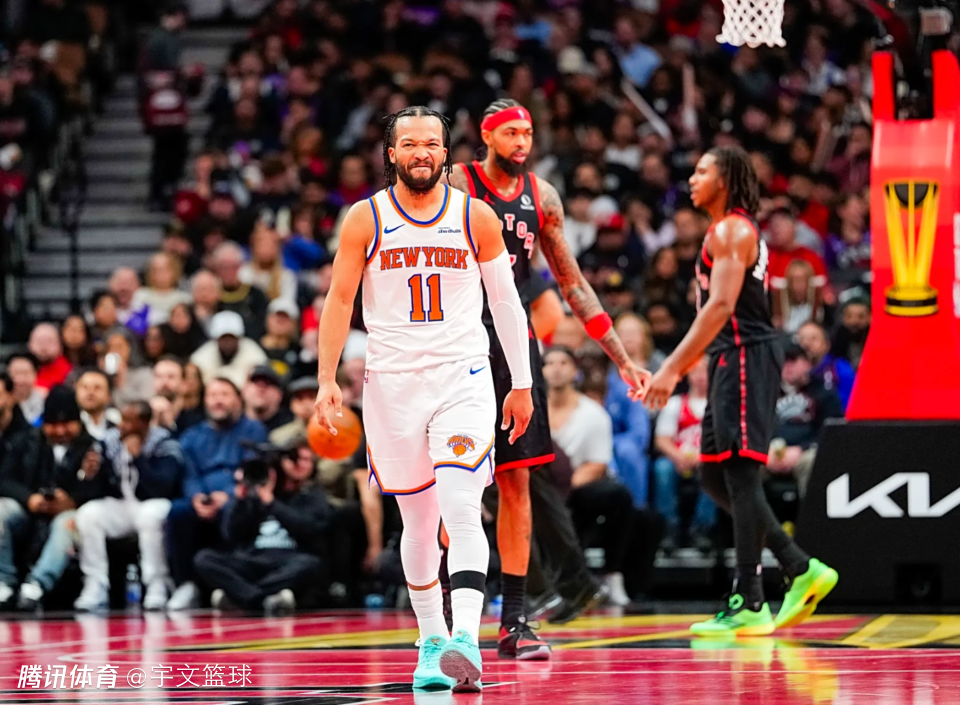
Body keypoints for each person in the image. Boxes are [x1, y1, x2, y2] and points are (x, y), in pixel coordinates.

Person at [314, 106, 534, 692]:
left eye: (431, 144)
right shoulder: (365, 218)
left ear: (445, 152)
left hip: (462, 377)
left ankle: (467, 637)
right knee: (417, 521)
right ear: (391, 154)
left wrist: (521, 382)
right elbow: (339, 300)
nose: (421, 153)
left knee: (461, 504)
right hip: (391, 384)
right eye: (409, 144)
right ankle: (432, 639)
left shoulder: (474, 215)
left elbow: (506, 303)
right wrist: (326, 378)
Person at [445, 98, 649, 658]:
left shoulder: (544, 197)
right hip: (458, 337)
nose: (521, 142)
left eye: (527, 132)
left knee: (517, 480)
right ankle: (445, 615)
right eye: (510, 132)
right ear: (487, 136)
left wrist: (621, 358)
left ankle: (515, 618)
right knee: (452, 482)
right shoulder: (457, 183)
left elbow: (573, 284)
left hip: (515, 344)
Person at [644, 146, 838, 637]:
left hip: (746, 354)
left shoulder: (733, 229)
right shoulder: (724, 230)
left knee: (739, 474)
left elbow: (720, 306)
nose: (692, 178)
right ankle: (791, 570)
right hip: (728, 358)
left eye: (702, 171)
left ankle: (756, 595)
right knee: (714, 475)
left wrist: (671, 368)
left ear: (726, 179)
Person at [0, 387, 117, 611]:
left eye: (67, 424)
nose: (61, 431)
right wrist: (29, 498)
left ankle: (37, 584)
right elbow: (4, 479)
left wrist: (73, 499)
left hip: (68, 513)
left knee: (68, 522)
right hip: (27, 511)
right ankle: (3, 580)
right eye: (53, 425)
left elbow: (102, 489)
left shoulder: (92, 447)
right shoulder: (25, 441)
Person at [543, 346, 635, 607]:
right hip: (539, 488)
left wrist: (562, 488)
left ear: (575, 371)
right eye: (550, 363)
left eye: (563, 362)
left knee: (618, 496)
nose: (556, 369)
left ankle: (612, 574)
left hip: (576, 486)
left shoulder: (593, 413)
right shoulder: (532, 409)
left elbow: (597, 465)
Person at [165, 377, 268, 610]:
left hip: (238, 496)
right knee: (177, 511)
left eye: (224, 394)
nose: (218, 401)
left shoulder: (254, 429)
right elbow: (189, 475)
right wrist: (196, 498)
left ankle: (230, 583)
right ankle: (186, 584)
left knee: (237, 509)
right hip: (203, 497)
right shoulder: (191, 436)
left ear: (238, 399)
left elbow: (253, 471)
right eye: (212, 395)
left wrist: (230, 495)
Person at [194, 439, 332, 612]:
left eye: (307, 460)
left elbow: (310, 530)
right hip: (251, 560)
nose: (300, 465)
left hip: (287, 561)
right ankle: (264, 599)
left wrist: (271, 503)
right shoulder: (253, 496)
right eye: (295, 459)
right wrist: (240, 499)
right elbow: (231, 534)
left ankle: (241, 596)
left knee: (311, 564)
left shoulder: (313, 497)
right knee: (204, 559)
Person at [74, 401, 184, 611]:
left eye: (128, 421)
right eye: (122, 420)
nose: (121, 426)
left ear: (144, 423)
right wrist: (89, 473)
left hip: (153, 503)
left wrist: (138, 458)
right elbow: (95, 488)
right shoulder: (109, 441)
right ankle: (95, 584)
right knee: (88, 514)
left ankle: (156, 584)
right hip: (122, 505)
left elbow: (162, 487)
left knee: (150, 515)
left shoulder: (165, 442)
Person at [653, 356, 716, 553]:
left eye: (705, 371)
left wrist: (701, 457)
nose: (701, 377)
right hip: (677, 459)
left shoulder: (720, 406)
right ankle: (669, 528)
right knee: (662, 469)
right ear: (688, 375)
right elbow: (662, 439)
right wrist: (678, 456)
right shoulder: (675, 403)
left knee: (715, 468)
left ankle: (703, 528)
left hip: (707, 458)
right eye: (696, 371)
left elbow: (725, 441)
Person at [768, 343, 844, 499]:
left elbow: (832, 432)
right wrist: (765, 450)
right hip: (771, 452)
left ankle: (813, 513)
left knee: (811, 463)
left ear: (807, 363)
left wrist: (802, 448)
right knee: (746, 464)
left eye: (792, 360)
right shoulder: (767, 393)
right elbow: (756, 428)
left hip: (807, 451)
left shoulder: (824, 393)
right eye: (782, 361)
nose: (787, 367)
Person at [190, 311, 268, 385]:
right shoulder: (202, 356)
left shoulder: (254, 355)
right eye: (223, 338)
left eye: (231, 338)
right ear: (216, 339)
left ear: (239, 338)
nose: (228, 342)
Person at [796, 321, 855, 410]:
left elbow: (846, 405)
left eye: (813, 339)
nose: (806, 344)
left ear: (826, 345)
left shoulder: (841, 369)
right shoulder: (787, 370)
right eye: (801, 339)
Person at [152, 356, 206, 437]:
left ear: (183, 383)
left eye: (171, 377)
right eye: (159, 376)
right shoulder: (142, 415)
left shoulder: (197, 420)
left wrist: (170, 424)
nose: (164, 382)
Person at [243, 365, 294, 431]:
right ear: (244, 390)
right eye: (256, 382)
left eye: (268, 383)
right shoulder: (231, 424)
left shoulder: (291, 428)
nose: (261, 388)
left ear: (280, 395)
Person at [6, 352, 45, 425]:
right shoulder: (3, 402)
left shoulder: (45, 398)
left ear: (35, 374)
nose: (20, 380)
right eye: (16, 373)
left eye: (26, 373)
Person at [76, 369, 115, 441]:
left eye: (97, 388)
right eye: (85, 387)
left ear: (109, 395)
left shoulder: (117, 428)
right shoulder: (70, 431)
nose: (90, 392)